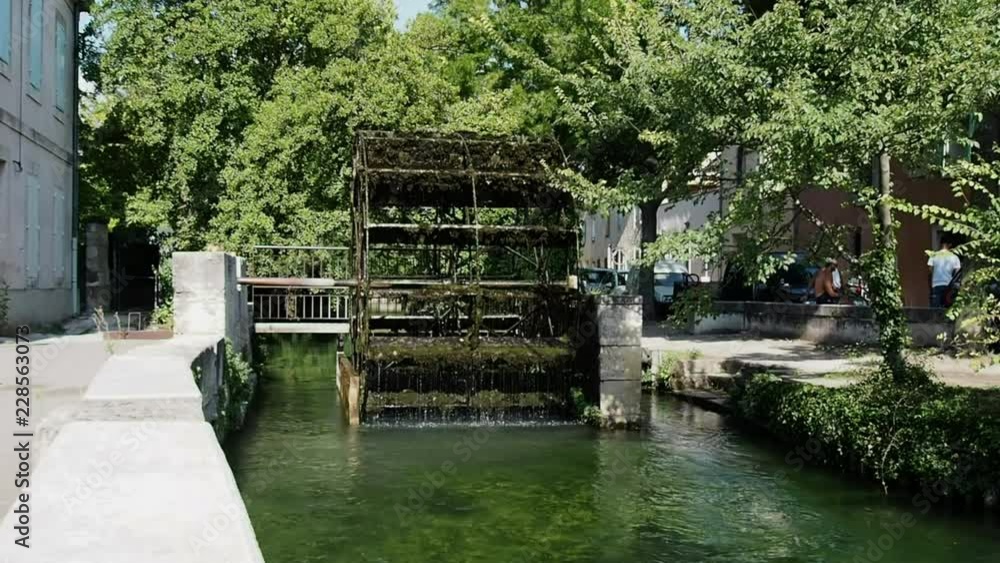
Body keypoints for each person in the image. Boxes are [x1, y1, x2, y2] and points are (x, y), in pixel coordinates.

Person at [928, 241, 961, 308]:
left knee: (935, 308)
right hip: (948, 284)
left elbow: (930, 270)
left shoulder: (934, 255)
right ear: (950, 245)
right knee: (947, 307)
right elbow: (957, 272)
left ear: (940, 244)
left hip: (936, 284)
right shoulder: (954, 257)